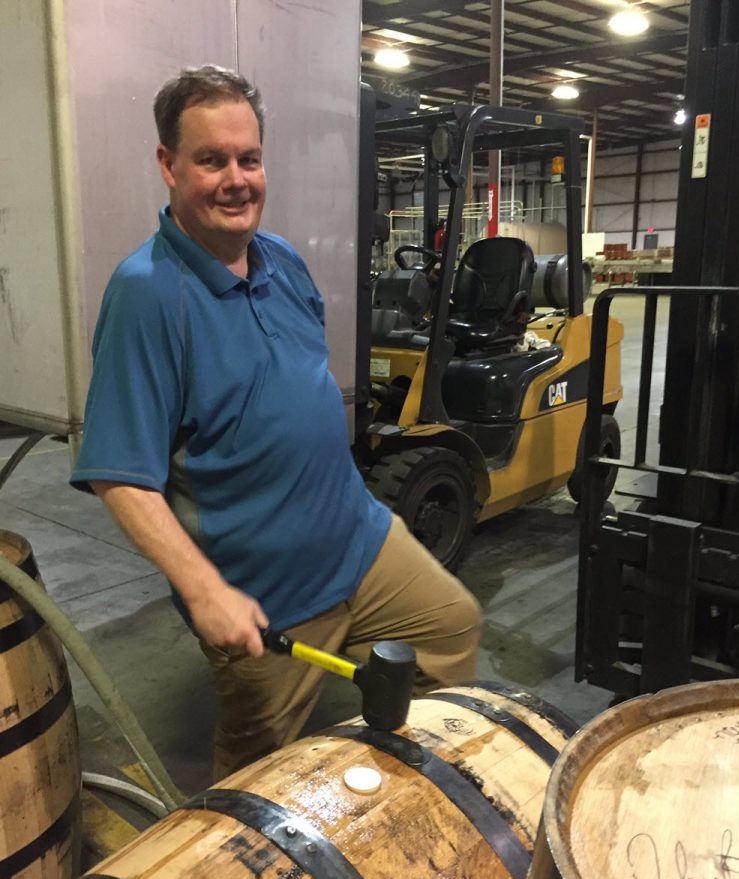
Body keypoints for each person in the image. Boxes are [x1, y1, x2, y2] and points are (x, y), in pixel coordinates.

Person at [70, 65, 481, 781]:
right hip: (271, 597)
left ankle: (402, 802)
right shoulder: (146, 297)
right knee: (258, 784)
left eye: (249, 158)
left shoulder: (282, 260)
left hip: (359, 539)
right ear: (168, 165)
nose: (237, 179)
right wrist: (205, 591)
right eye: (211, 160)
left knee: (450, 628)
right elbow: (120, 475)